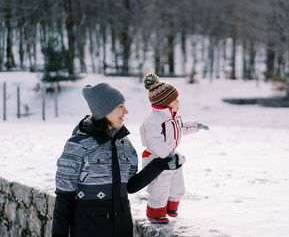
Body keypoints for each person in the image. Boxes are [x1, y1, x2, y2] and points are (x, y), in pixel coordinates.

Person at [52, 82, 181, 237]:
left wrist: (160, 164)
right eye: (120, 106)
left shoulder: (124, 144)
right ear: (104, 110)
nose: (126, 111)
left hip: (122, 229)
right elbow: (64, 199)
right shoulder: (77, 146)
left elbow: (130, 186)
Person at [140, 74, 209, 224]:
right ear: (166, 103)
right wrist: (167, 155)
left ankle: (171, 207)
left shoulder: (174, 117)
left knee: (178, 185)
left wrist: (196, 126)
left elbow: (181, 128)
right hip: (156, 158)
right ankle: (155, 212)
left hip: (172, 156)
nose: (178, 101)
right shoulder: (153, 121)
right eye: (175, 99)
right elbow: (154, 141)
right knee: (160, 186)